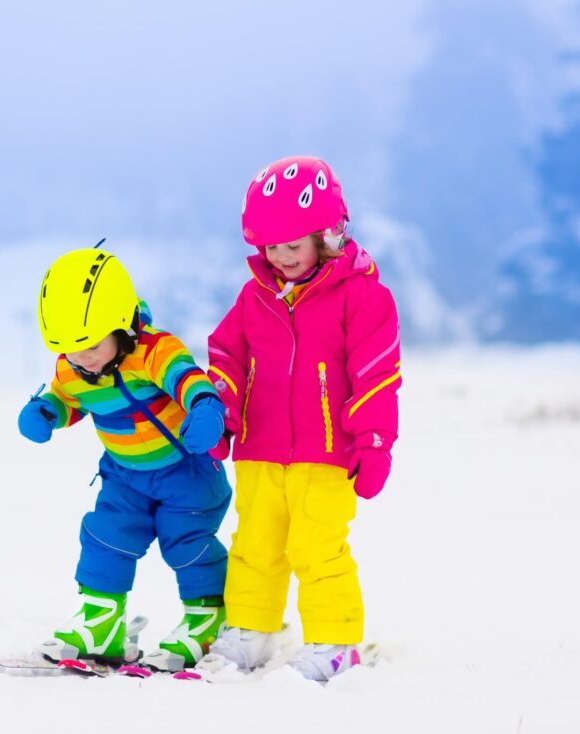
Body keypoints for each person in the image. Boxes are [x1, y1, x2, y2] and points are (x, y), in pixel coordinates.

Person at [200, 156, 402, 682]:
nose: (281, 257)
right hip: (261, 448)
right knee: (255, 544)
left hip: (326, 452)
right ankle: (252, 629)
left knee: (317, 548)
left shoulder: (362, 298)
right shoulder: (255, 296)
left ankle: (335, 641)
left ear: (327, 234)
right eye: (270, 247)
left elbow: (377, 373)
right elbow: (224, 352)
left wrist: (374, 442)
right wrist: (221, 414)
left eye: (293, 245)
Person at [18, 246, 232, 671]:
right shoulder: (73, 368)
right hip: (124, 478)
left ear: (120, 323)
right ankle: (102, 623)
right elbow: (68, 398)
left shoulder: (155, 351)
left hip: (184, 472)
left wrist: (206, 407)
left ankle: (209, 618)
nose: (82, 359)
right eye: (67, 349)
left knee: (186, 542)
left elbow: (189, 380)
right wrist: (47, 412)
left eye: (90, 346)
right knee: (104, 537)